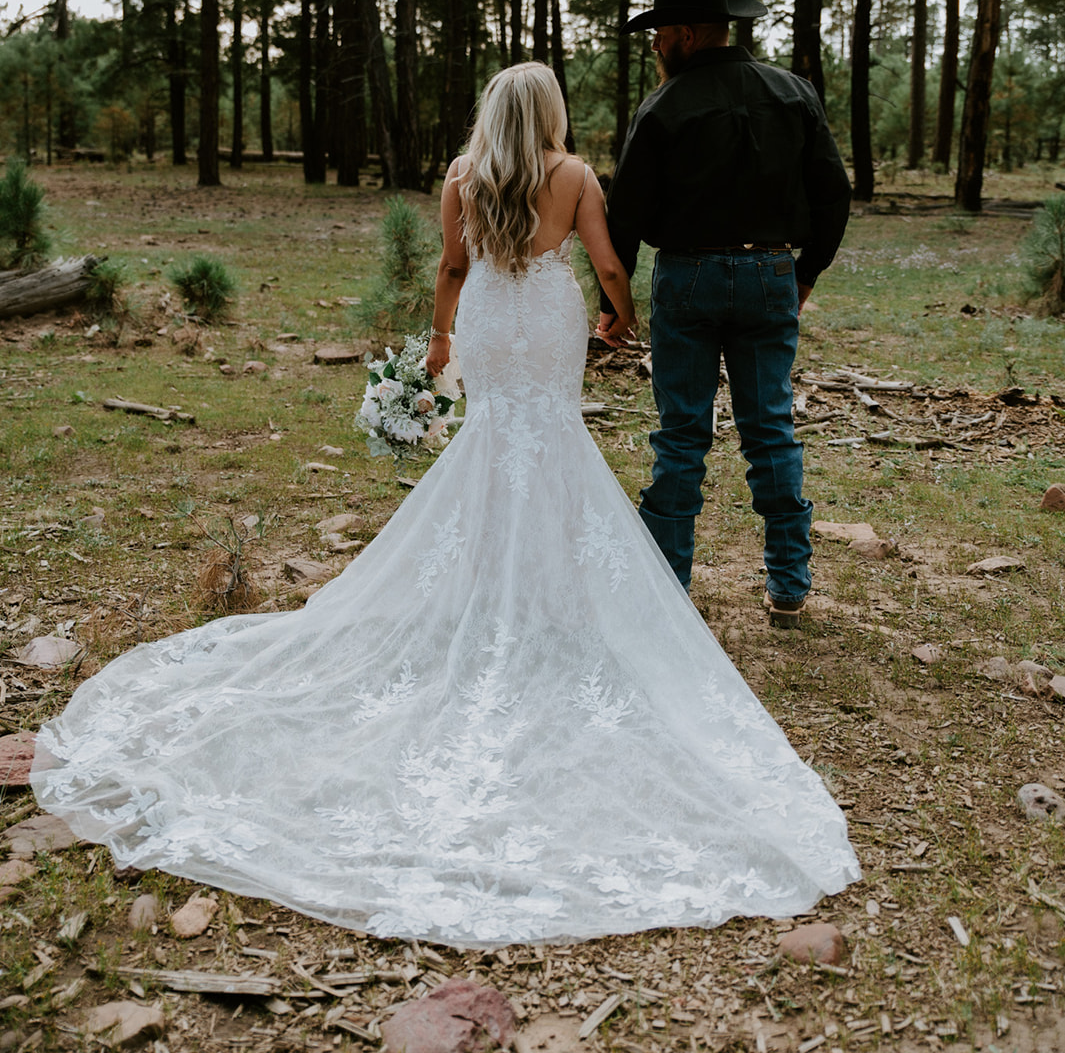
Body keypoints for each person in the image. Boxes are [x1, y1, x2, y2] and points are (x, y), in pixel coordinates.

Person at [33, 62, 858, 948]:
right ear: (547, 112)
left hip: (491, 323)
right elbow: (610, 259)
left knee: (491, 444)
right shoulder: (574, 176)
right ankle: (548, 600)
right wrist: (617, 315)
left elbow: (452, 267)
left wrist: (437, 344)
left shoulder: (462, 178)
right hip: (544, 317)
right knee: (551, 446)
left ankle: (482, 592)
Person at [598, 0, 852, 625]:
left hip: (685, 278)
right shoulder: (793, 92)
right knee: (769, 425)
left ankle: (665, 590)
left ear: (683, 34)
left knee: (681, 433)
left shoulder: (662, 108)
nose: (654, 45)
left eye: (658, 33)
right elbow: (831, 192)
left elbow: (623, 215)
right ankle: (788, 586)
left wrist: (613, 302)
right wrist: (805, 274)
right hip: (770, 271)